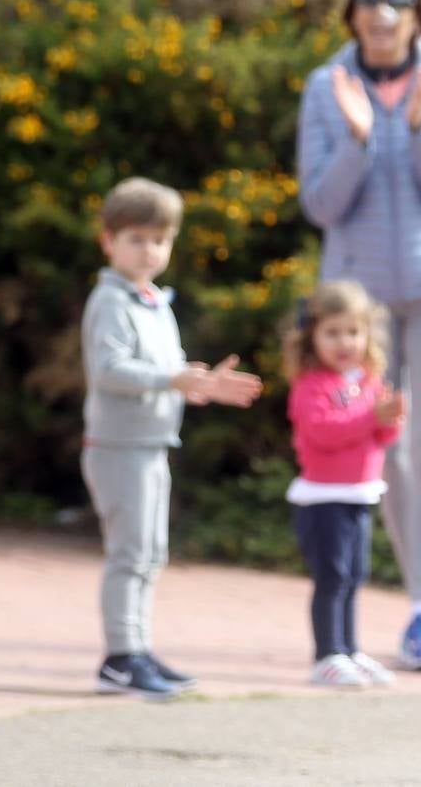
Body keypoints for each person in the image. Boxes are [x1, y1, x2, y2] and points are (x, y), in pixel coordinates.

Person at [295, 0, 421, 672]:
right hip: (357, 301)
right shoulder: (326, 87)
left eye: (395, 2)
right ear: (351, 12)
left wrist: (416, 123)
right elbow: (321, 204)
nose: (380, 13)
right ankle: (370, 602)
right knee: (387, 450)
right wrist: (362, 138)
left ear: (418, 12)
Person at [81, 177, 264, 700]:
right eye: (135, 238)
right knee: (129, 554)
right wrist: (174, 379)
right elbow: (112, 369)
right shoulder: (110, 301)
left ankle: (137, 649)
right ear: (108, 242)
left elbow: (164, 369)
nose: (148, 250)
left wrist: (199, 382)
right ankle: (119, 658)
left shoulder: (154, 302)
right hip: (118, 449)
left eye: (159, 240)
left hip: (151, 445)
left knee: (150, 553)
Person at [283, 281, 406, 689]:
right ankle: (326, 655)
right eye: (332, 333)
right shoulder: (311, 385)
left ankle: (349, 649)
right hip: (322, 498)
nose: (344, 342)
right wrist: (373, 417)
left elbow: (379, 439)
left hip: (359, 492)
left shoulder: (366, 380)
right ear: (312, 336)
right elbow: (322, 432)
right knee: (332, 577)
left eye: (352, 332)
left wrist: (390, 419)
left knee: (355, 574)